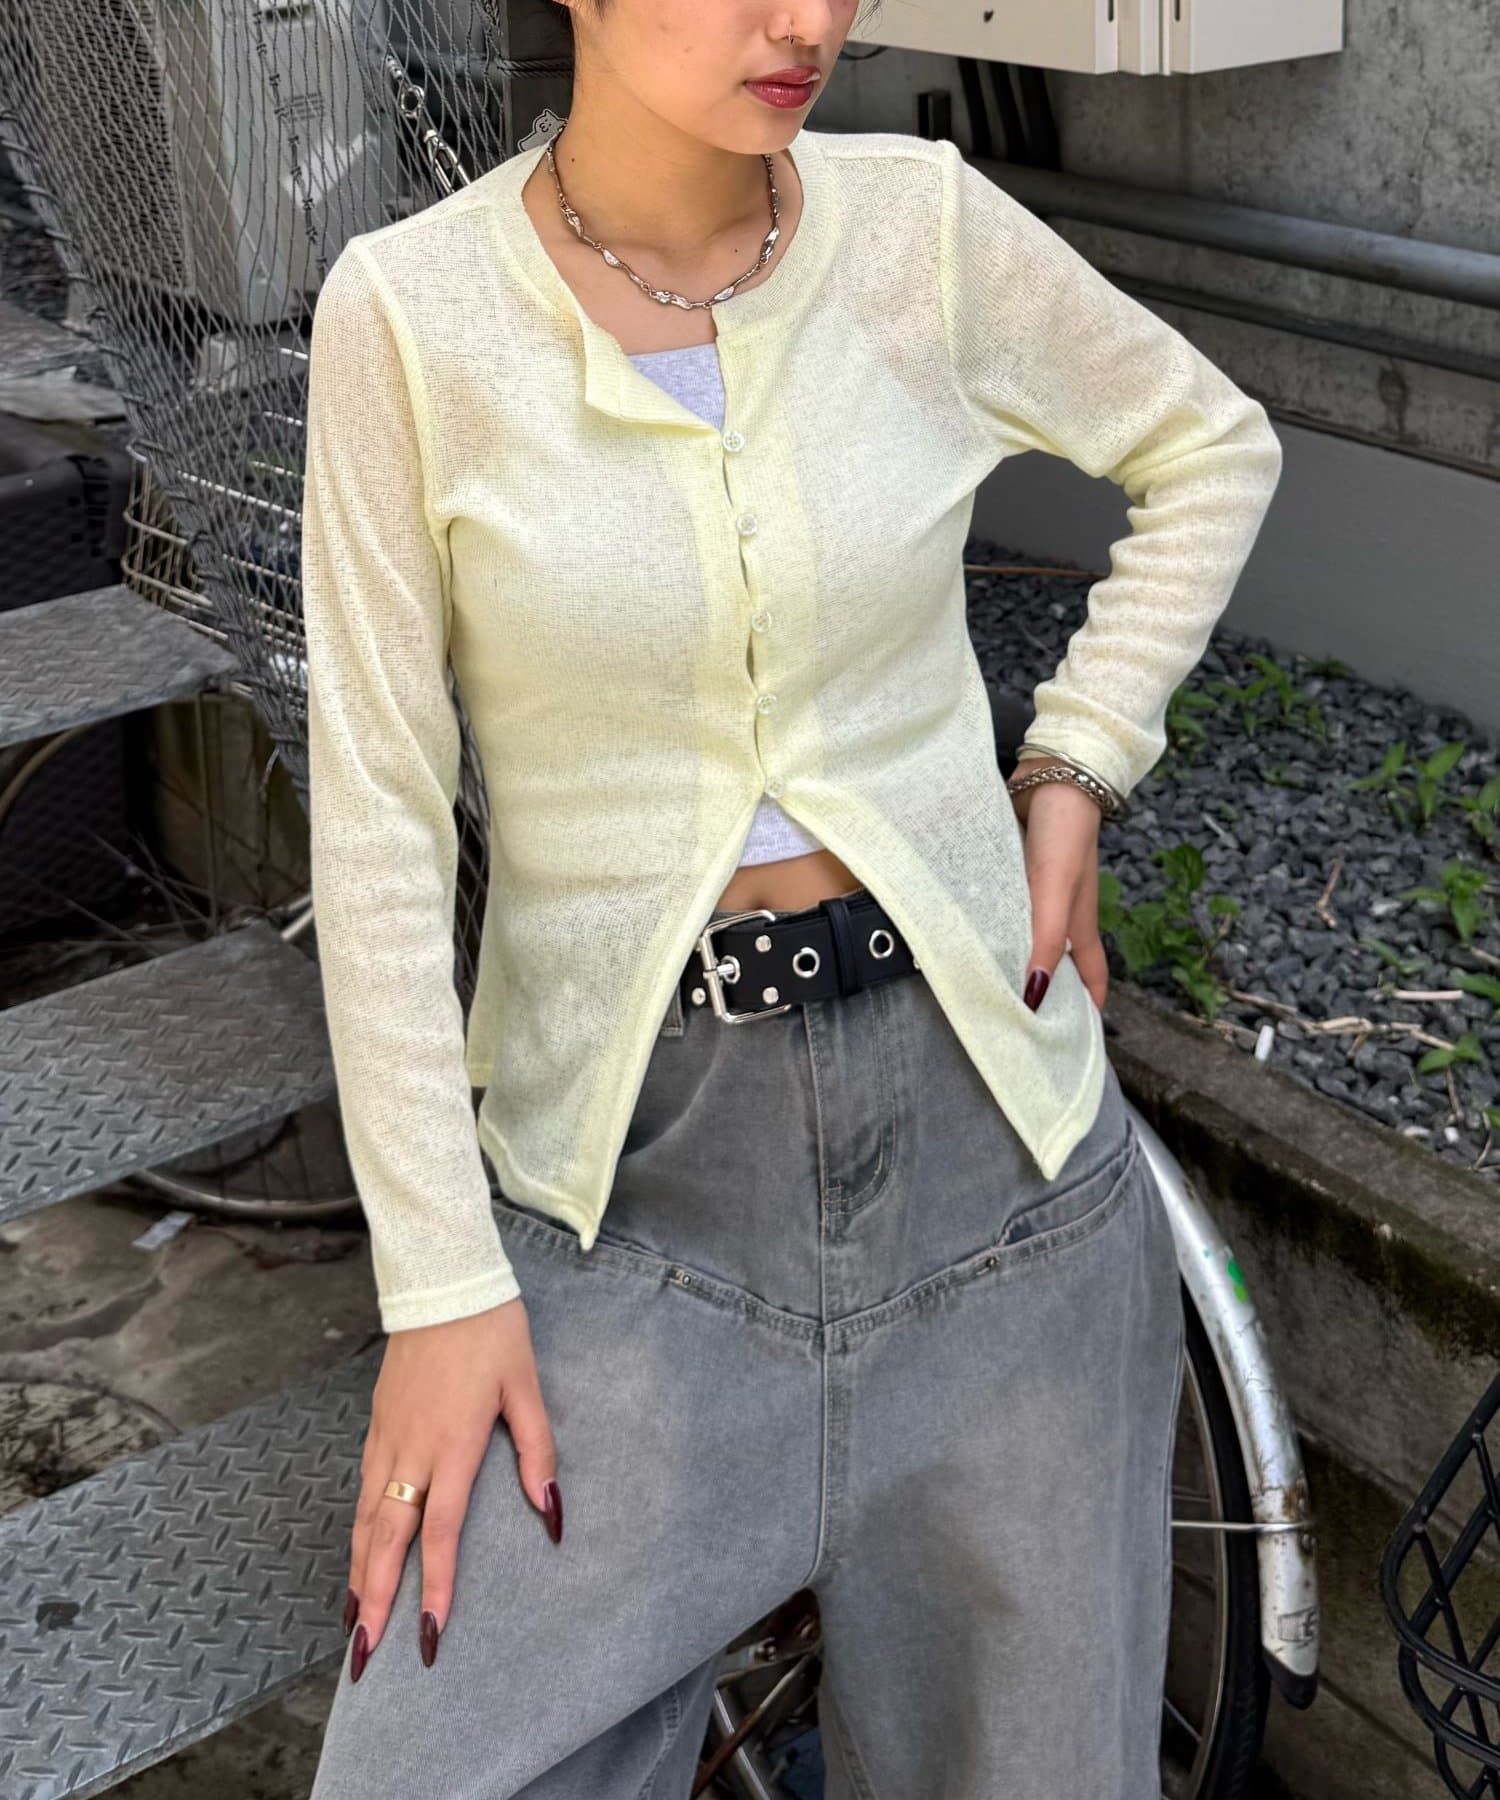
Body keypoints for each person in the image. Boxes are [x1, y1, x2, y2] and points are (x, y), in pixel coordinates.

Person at [301, 0, 1283, 1792]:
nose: (808, 20)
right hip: (636, 1212)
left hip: (1002, 1187)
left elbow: (1211, 445)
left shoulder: (923, 229)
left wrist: (1075, 762)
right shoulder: (410, 317)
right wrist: (439, 1286)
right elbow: (373, 825)